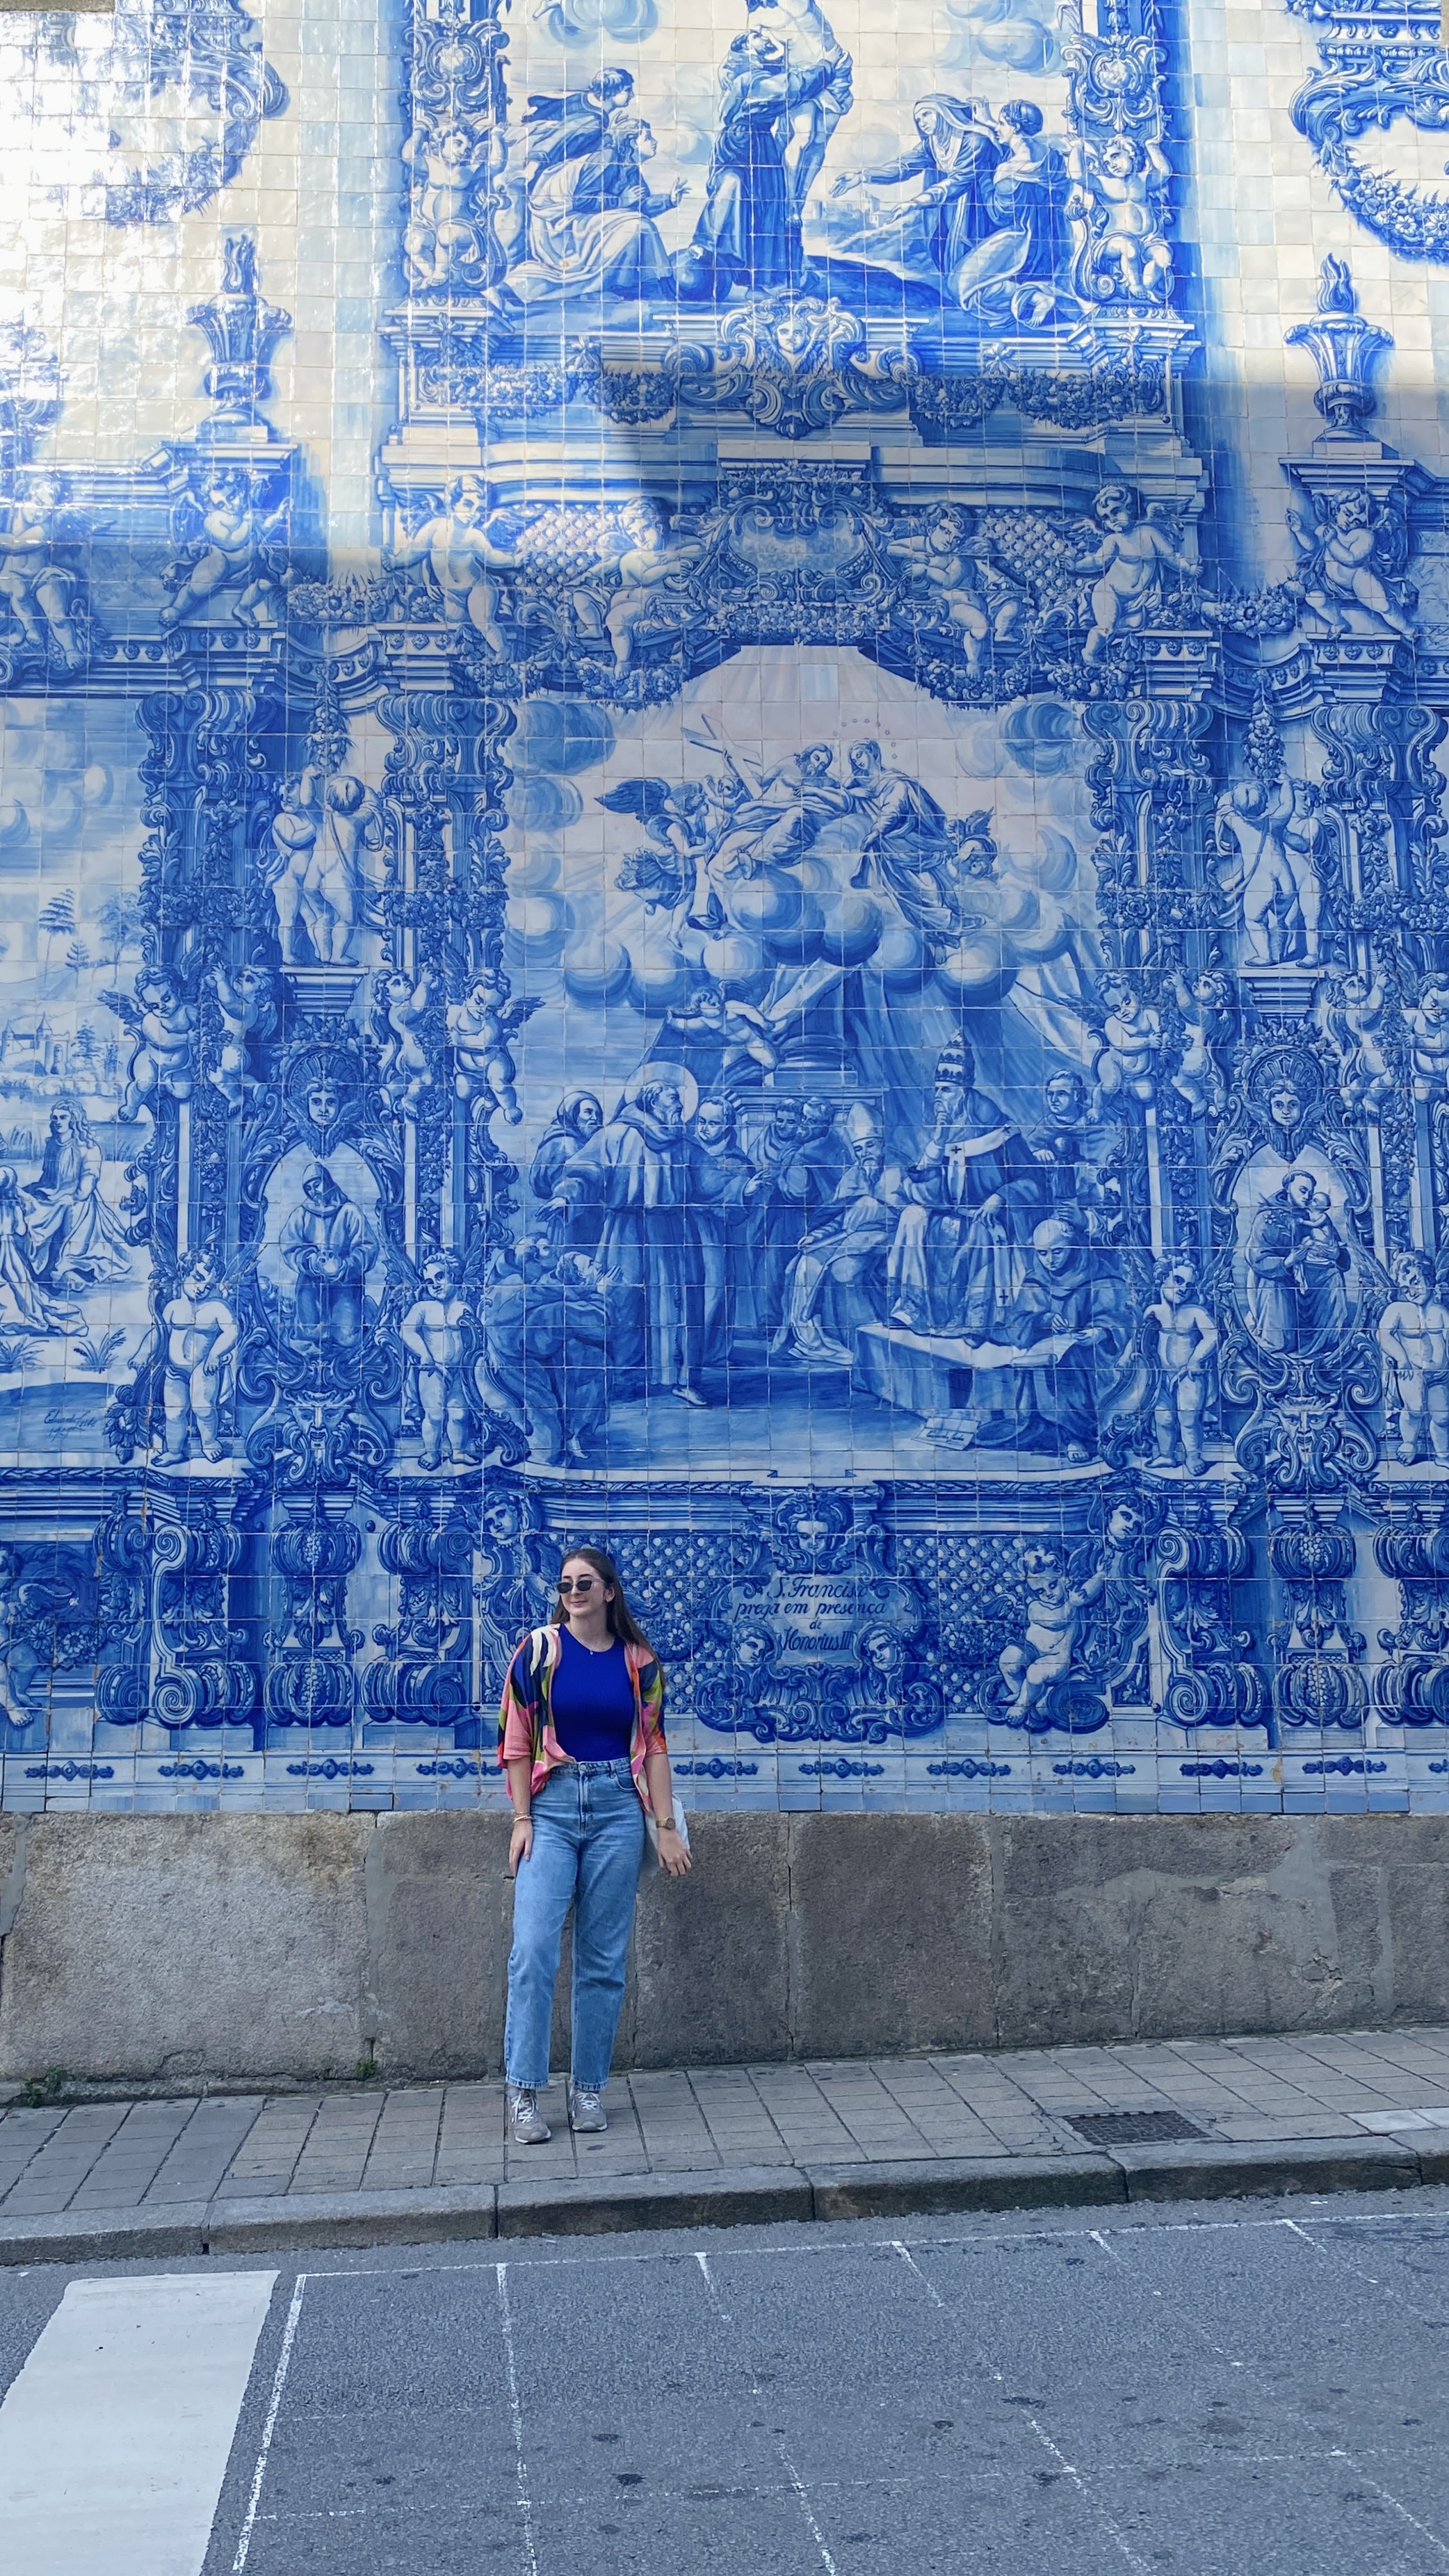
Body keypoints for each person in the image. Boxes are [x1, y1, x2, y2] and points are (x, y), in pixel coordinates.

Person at [499, 1547, 689, 2145]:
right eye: (565, 1583)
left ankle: (587, 2090)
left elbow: (653, 1744)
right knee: (532, 1949)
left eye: (585, 1582)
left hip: (616, 1809)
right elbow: (516, 1735)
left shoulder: (640, 1662)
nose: (573, 1590)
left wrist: (664, 1825)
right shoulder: (538, 1650)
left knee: (602, 1960)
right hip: (552, 1807)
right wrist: (522, 1817)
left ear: (610, 1591)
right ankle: (525, 2091)